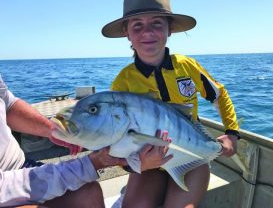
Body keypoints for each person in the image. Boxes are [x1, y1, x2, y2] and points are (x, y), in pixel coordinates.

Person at [101, 0, 241, 207]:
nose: (147, 33)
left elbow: (219, 95)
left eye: (156, 23)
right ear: (127, 32)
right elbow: (116, 137)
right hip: (149, 165)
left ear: (170, 29)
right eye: (137, 26)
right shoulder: (123, 82)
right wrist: (135, 165)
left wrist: (232, 133)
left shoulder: (187, 66)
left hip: (192, 155)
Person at [0, 75, 172, 208]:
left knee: (89, 193)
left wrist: (51, 130)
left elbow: (7, 103)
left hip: (20, 165)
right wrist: (91, 164)